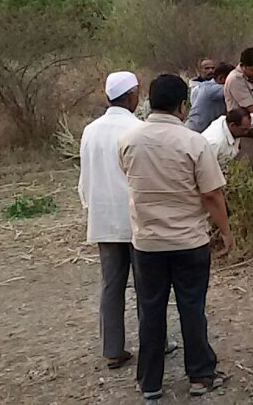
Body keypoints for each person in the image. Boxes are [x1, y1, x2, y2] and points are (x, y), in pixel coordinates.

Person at [119, 74, 233, 400]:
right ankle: (200, 375)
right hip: (189, 242)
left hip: (147, 244)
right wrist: (226, 232)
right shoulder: (193, 142)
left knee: (151, 310)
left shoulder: (128, 140)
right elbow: (211, 194)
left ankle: (150, 382)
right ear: (183, 105)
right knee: (192, 307)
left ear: (149, 102)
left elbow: (129, 178)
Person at [78, 71, 144, 370]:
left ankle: (112, 349)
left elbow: (84, 179)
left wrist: (90, 208)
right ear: (132, 95)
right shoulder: (138, 128)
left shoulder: (90, 130)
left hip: (103, 219)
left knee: (111, 286)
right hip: (136, 219)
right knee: (147, 287)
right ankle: (155, 341)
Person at [185, 62, 235, 133]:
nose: (210, 70)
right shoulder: (212, 89)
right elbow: (235, 89)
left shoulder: (205, 86)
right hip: (196, 132)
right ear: (221, 78)